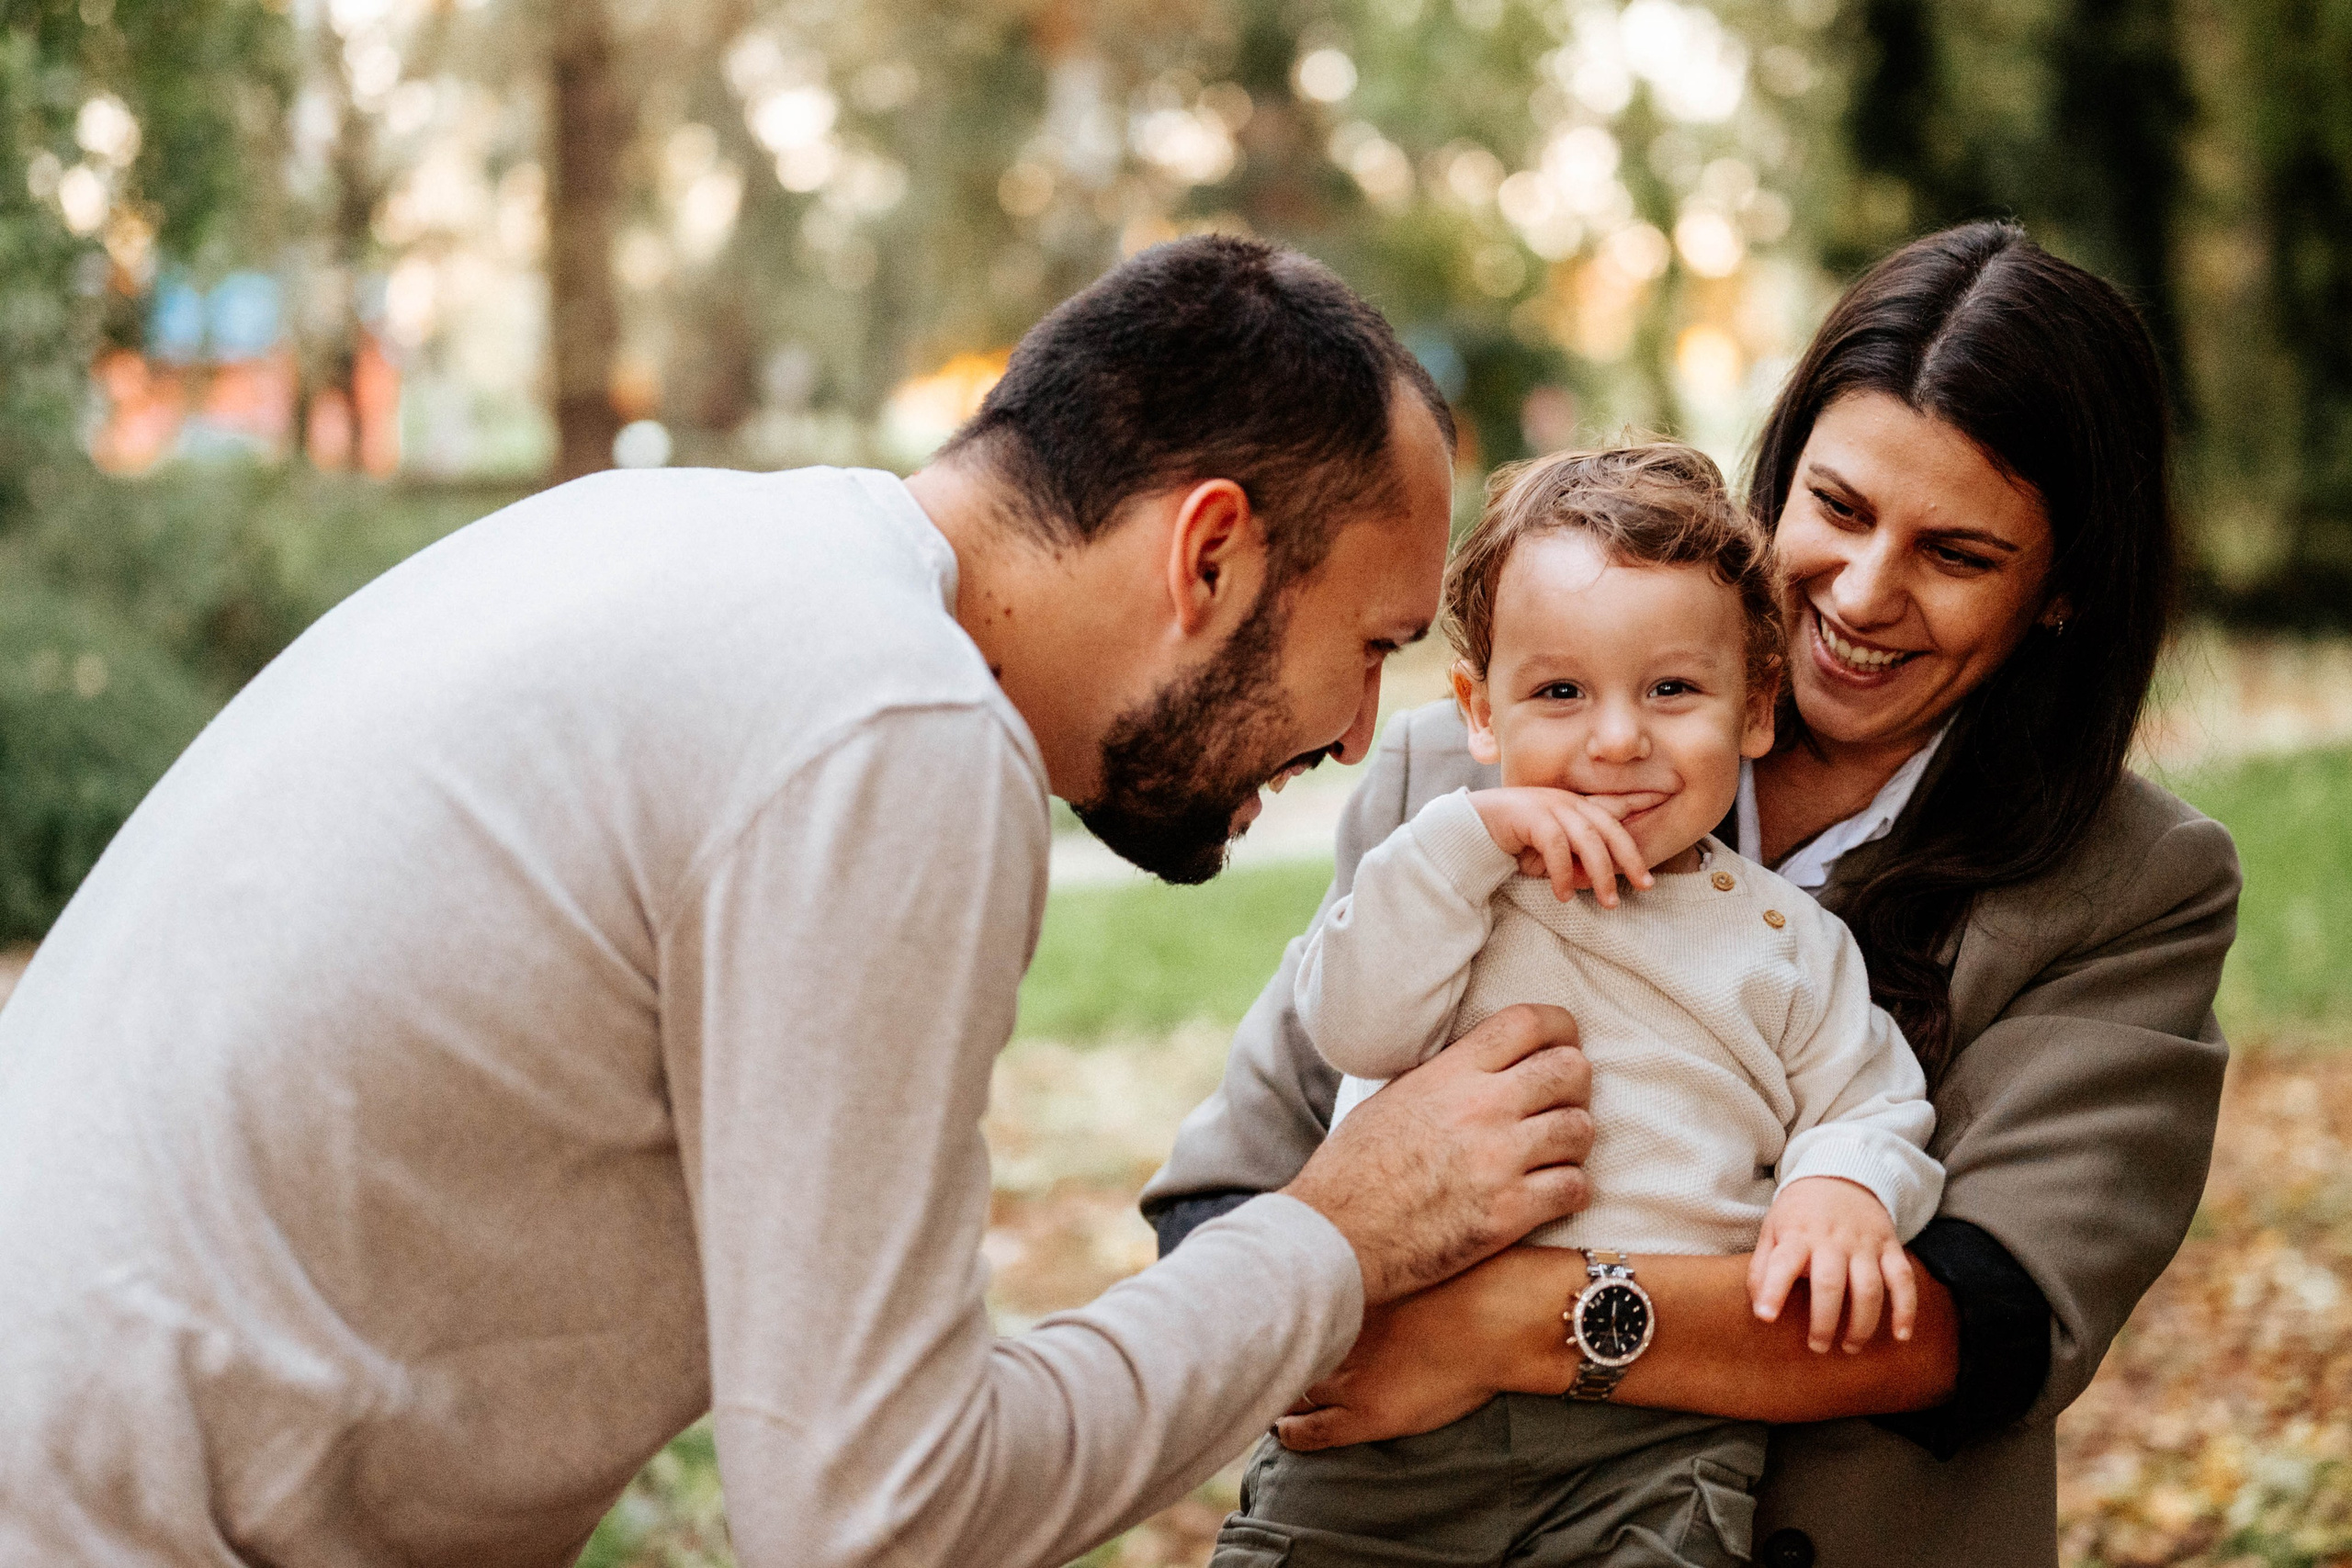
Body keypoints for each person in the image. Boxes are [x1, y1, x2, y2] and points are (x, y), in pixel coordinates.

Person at [0, 238, 1600, 1568]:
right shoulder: (894, 725)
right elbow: (872, 1519)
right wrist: (1332, 1237)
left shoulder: (716, 556)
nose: (1353, 731)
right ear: (1211, 557)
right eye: (1374, 643)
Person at [1146, 221, 2244, 1568]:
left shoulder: (2131, 882)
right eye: (1835, 509)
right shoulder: (1466, 789)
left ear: (2063, 591)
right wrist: (1328, 1296)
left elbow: (1985, 1320)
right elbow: (1235, 1173)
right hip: (1390, 1501)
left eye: (1956, 554)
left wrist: (1506, 1323)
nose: (1865, 590)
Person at [1214, 442, 1944, 1566]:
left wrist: (1840, 1187)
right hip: (1386, 1434)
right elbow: (1353, 1027)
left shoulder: (1785, 943)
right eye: (1559, 692)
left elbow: (1870, 1095)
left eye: (1671, 690)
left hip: (1652, 1440)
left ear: (1755, 708)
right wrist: (1466, 840)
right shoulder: (1450, 887)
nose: (1615, 739)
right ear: (1480, 712)